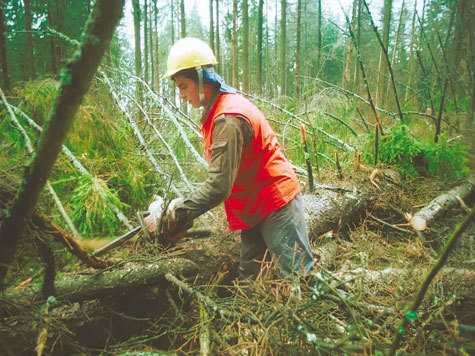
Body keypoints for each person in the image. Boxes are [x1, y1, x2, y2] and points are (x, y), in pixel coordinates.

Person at [144, 37, 314, 279]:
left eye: (183, 86)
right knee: (250, 279)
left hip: (274, 201)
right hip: (254, 205)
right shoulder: (219, 110)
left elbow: (218, 185)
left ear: (202, 79)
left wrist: (178, 211)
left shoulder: (228, 118)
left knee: (300, 277)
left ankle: (336, 311)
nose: (180, 94)